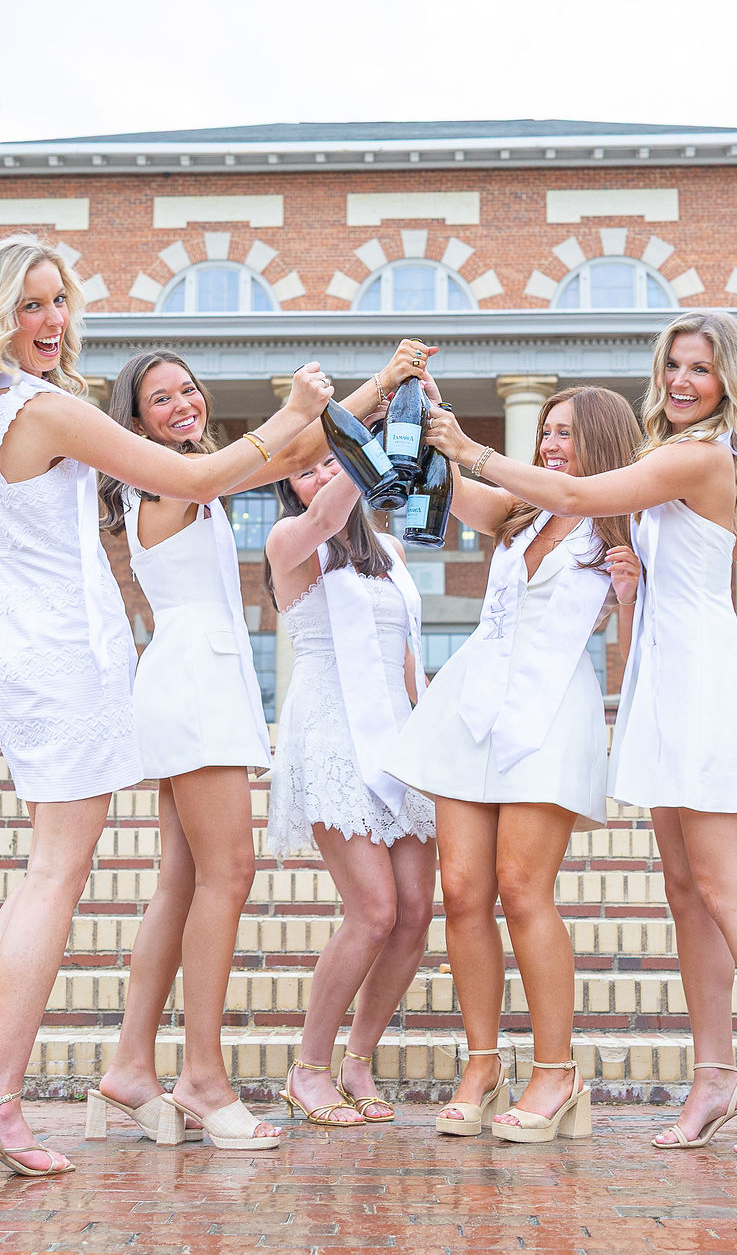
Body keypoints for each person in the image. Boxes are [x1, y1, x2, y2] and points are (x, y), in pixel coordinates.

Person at [0, 234, 334, 1181]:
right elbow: (185, 476)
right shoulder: (49, 408)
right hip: (69, 652)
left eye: (58, 301)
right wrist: (297, 412)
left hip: (19, 650)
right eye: (28, 306)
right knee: (58, 874)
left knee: (41, 868)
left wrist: (18, 582)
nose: (51, 321)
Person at [420, 311, 737, 1161]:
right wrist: (630, 584)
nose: (685, 380)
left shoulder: (698, 455)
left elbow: (582, 495)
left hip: (707, 685)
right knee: (686, 893)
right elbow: (667, 556)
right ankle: (716, 1075)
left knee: (730, 889)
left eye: (702, 367)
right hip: (659, 684)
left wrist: (473, 449)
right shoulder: (667, 466)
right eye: (674, 366)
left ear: (729, 378)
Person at [87, 343, 433, 1150]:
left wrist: (380, 393)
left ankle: (132, 1064)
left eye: (189, 390)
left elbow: (309, 450)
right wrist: (342, 394)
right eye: (160, 399)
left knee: (178, 883)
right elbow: (286, 454)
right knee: (228, 874)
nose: (182, 405)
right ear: (134, 423)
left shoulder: (192, 478)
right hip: (195, 681)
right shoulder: (169, 481)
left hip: (198, 678)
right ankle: (202, 1080)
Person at [384, 386, 641, 1145]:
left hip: (550, 712)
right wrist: (427, 409)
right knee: (462, 891)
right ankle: (483, 1064)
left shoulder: (621, 523)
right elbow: (445, 472)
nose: (553, 444)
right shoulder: (516, 510)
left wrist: (629, 597)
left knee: (523, 888)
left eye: (568, 433)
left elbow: (646, 638)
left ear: (602, 440)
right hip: (472, 708)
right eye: (547, 431)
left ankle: (556, 1072)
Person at [261, 452, 437, 1129]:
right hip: (332, 730)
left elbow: (406, 653)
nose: (317, 478)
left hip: (398, 732)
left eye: (327, 462)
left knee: (415, 913)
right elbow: (332, 510)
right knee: (373, 910)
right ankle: (308, 1067)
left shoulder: (389, 550)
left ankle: (358, 1057)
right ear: (289, 487)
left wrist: (429, 741)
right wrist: (354, 459)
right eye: (302, 471)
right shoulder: (289, 540)